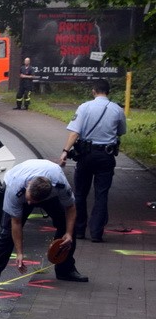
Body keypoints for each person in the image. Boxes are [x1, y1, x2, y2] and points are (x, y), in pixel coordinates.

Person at [0, 159, 87, 290]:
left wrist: (68, 233)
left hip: (46, 186)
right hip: (17, 186)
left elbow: (70, 207)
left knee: (67, 225)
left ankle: (65, 270)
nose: (30, 204)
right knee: (6, 233)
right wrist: (19, 253)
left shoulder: (59, 184)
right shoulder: (14, 189)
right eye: (29, 199)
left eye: (34, 201)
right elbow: (16, 223)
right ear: (28, 185)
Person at [59, 78, 127, 243]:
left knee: (80, 193)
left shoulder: (84, 107)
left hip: (86, 156)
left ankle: (79, 230)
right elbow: (121, 131)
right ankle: (97, 233)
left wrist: (65, 152)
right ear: (108, 92)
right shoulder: (117, 109)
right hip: (106, 156)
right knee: (101, 194)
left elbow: (74, 132)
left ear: (93, 91)